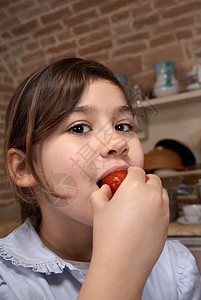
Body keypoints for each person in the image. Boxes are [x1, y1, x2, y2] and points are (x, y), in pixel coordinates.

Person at [0, 58, 200, 300]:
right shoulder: (8, 282)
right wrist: (122, 265)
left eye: (123, 126)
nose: (117, 143)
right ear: (24, 168)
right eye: (80, 128)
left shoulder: (175, 266)